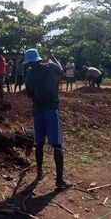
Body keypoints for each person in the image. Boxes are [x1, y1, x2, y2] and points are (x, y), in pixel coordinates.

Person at [24, 48, 70, 189]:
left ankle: (39, 172)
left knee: (39, 144)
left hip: (37, 111)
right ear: (39, 59)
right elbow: (61, 70)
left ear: (29, 63)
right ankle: (59, 180)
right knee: (57, 145)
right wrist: (52, 56)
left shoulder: (29, 75)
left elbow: (29, 94)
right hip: (51, 110)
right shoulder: (50, 66)